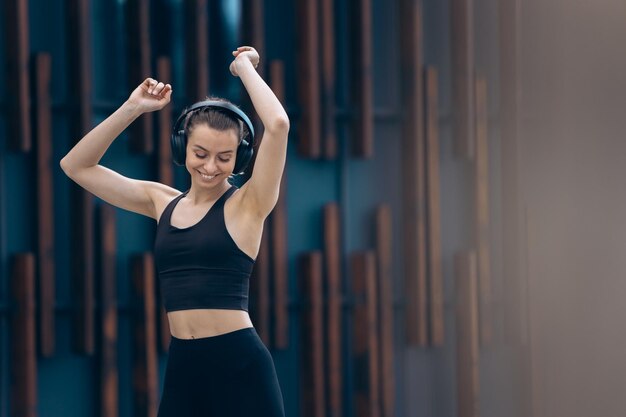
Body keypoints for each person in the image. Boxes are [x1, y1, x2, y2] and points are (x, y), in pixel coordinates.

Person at [60, 46, 288, 417]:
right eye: (200, 153)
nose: (211, 167)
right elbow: (76, 165)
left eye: (225, 157)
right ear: (181, 147)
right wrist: (133, 108)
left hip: (239, 366)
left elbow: (277, 125)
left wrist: (244, 67)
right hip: (184, 364)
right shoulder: (160, 201)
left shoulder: (249, 205)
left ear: (240, 158)